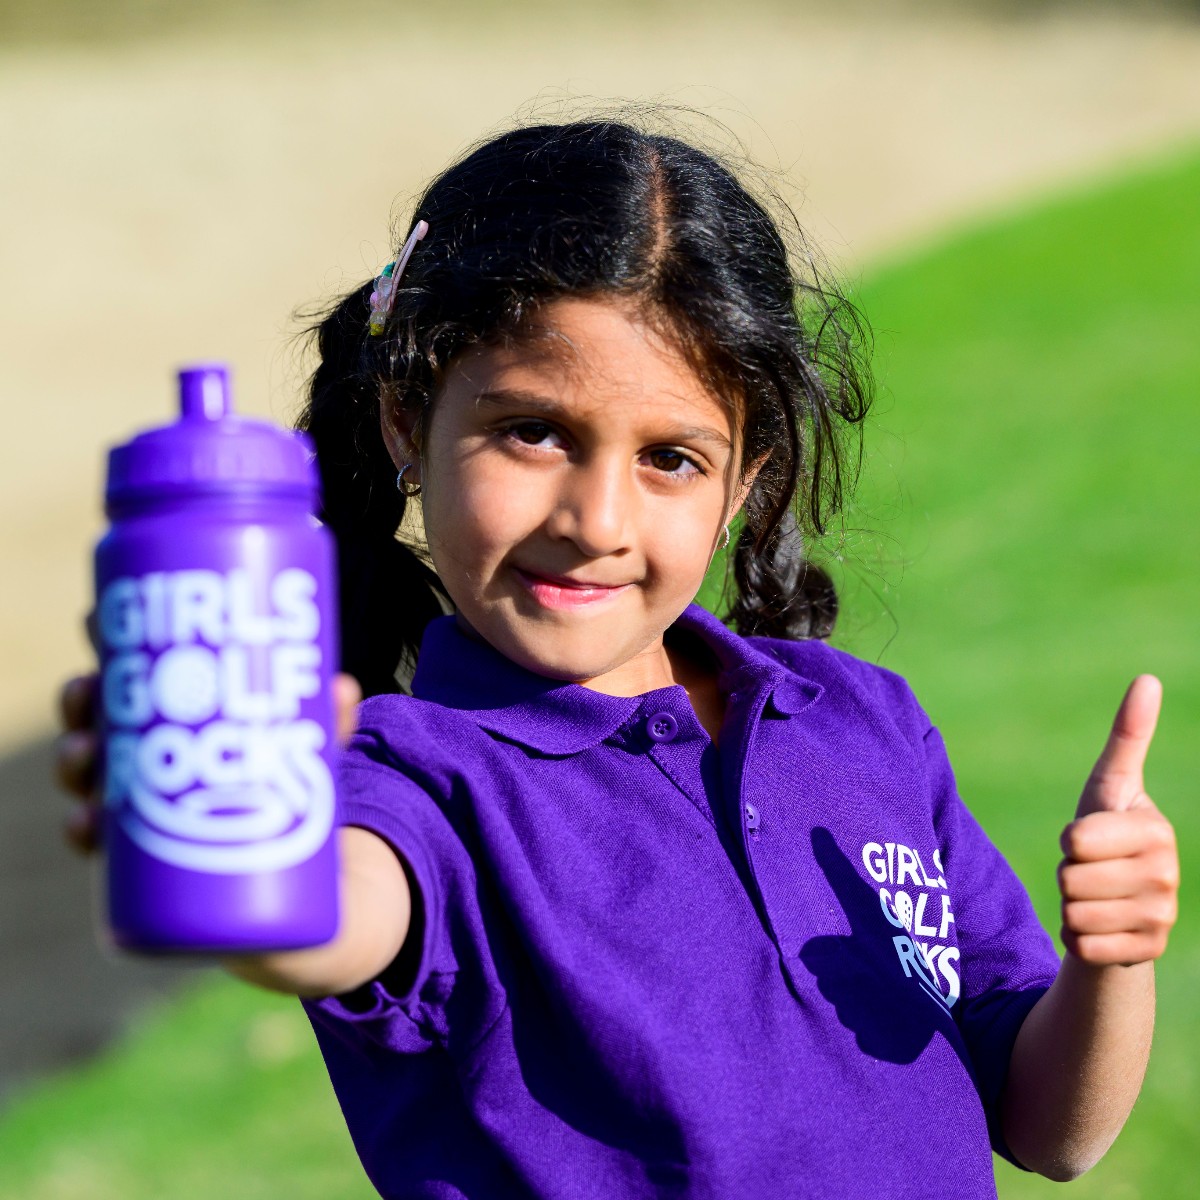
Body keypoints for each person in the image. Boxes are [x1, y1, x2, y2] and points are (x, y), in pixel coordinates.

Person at [55, 117, 1179, 1199]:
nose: (597, 520)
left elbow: (1053, 1130)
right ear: (408, 422)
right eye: (534, 431)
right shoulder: (412, 784)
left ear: (745, 478)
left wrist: (1113, 962)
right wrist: (231, 825)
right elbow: (329, 915)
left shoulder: (861, 722)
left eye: (672, 458)